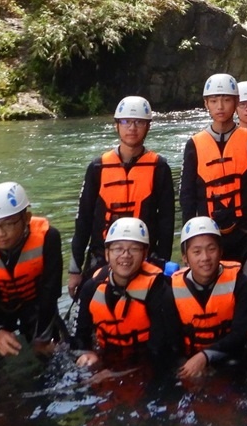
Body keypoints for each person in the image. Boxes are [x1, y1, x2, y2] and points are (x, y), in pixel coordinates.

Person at [68, 96, 175, 297]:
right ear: (116, 125)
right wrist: (75, 271)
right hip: (102, 257)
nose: (132, 128)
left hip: (145, 257)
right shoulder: (97, 167)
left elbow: (166, 222)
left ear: (148, 126)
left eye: (139, 122)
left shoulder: (159, 167)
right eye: (126, 121)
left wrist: (162, 262)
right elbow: (83, 220)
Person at [180, 73, 247, 280]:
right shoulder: (194, 144)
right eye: (214, 101)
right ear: (206, 104)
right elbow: (187, 198)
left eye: (226, 100)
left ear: (236, 102)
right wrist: (188, 239)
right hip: (211, 237)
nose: (220, 106)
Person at [0, 182, 63, 358]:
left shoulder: (49, 238)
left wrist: (43, 338)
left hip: (36, 302)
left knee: (53, 352)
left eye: (8, 224)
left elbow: (51, 290)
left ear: (26, 218)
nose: (0, 233)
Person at [71, 218, 175, 371]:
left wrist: (117, 373)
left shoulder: (159, 289)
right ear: (107, 254)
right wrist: (86, 353)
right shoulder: (91, 287)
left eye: (134, 249)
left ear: (145, 253)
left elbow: (161, 349)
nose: (125, 255)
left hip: (145, 362)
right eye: (118, 249)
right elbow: (81, 337)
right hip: (107, 355)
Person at [167, 217, 247, 379]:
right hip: (189, 360)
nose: (205, 257)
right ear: (185, 257)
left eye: (211, 249)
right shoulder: (171, 289)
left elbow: (240, 334)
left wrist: (205, 356)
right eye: (196, 252)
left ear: (221, 251)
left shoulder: (241, 283)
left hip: (231, 356)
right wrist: (184, 365)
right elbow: (171, 340)